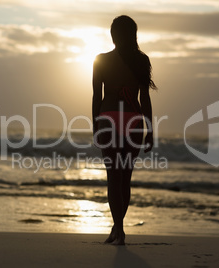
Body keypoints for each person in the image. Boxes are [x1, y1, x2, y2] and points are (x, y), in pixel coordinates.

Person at [92, 15, 157, 245]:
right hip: (134, 121)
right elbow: (145, 99)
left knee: (113, 178)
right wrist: (150, 129)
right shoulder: (142, 61)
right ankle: (117, 230)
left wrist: (95, 125)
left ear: (113, 35)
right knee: (125, 178)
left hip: (108, 119)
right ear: (133, 34)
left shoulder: (100, 60)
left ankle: (118, 229)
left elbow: (97, 97)